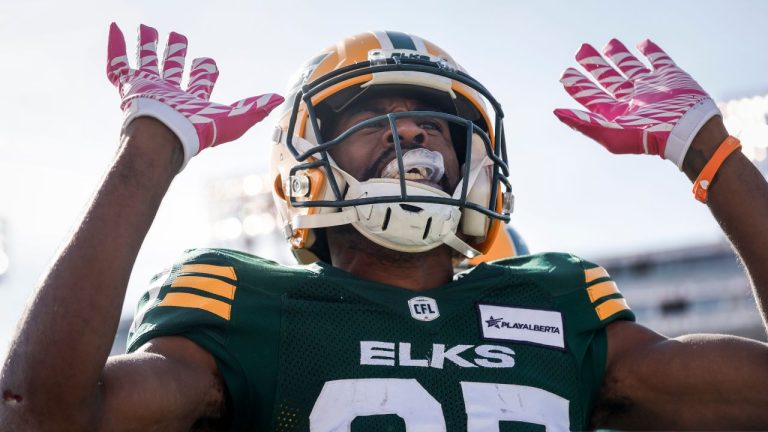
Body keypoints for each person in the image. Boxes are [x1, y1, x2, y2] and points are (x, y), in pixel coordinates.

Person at [1, 22, 767, 431]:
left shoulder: (559, 303)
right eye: (375, 118)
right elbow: (40, 416)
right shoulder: (244, 303)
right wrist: (147, 158)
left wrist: (712, 153)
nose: (416, 136)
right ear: (304, 161)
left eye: (438, 125)